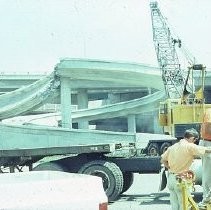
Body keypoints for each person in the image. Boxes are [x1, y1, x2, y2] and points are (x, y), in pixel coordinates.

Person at [161, 128, 211, 210]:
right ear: (192, 138)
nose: (194, 142)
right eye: (195, 140)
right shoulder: (189, 146)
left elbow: (162, 160)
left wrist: (169, 167)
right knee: (183, 205)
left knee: (174, 205)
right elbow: (206, 150)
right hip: (181, 180)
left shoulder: (173, 147)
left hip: (171, 179)